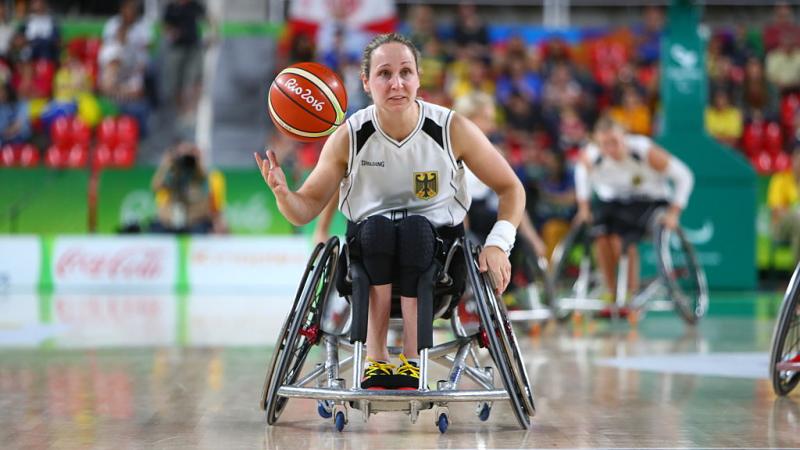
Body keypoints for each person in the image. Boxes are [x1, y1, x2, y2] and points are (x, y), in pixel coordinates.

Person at [255, 33, 525, 390]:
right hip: (367, 256)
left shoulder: (451, 128)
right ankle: (376, 358)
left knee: (414, 228)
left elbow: (511, 188)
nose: (396, 83)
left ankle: (413, 359)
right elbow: (303, 210)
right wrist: (283, 194)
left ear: (418, 78)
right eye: (384, 74)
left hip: (442, 262)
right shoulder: (351, 135)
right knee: (379, 229)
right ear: (366, 82)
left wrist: (498, 244)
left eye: (405, 72)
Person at [573, 116, 694, 309]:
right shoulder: (591, 156)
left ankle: (628, 293)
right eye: (605, 144)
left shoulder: (644, 151)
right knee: (601, 236)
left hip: (649, 199)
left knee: (622, 238)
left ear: (624, 137)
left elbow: (685, 176)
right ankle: (612, 292)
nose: (611, 148)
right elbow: (581, 174)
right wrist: (584, 208)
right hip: (613, 200)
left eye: (615, 142)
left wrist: (674, 213)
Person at [150, 140, 226, 234]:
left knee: (202, 229)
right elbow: (156, 187)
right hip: (171, 219)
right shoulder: (172, 172)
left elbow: (204, 179)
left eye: (189, 154)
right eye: (181, 154)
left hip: (195, 220)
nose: (185, 158)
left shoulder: (200, 172)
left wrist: (197, 160)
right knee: (157, 228)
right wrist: (166, 163)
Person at [767, 146, 800, 263]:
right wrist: (794, 212)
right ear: (793, 160)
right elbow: (776, 210)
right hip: (780, 228)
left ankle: (796, 274)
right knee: (797, 219)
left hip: (797, 229)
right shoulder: (780, 179)